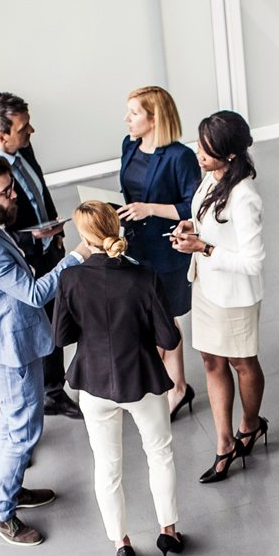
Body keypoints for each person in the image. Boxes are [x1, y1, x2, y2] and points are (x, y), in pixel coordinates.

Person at [0, 155, 88, 546]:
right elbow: (33, 293)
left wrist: (33, 237)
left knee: (13, 422)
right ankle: (0, 511)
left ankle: (12, 489)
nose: (14, 196)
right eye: (6, 192)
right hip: (12, 344)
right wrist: (76, 257)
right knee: (24, 429)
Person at [52, 202, 185, 556]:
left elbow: (61, 337)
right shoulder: (146, 279)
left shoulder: (70, 280)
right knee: (159, 454)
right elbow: (169, 339)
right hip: (141, 381)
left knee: (107, 466)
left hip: (93, 384)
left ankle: (121, 543)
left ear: (85, 238)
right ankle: (168, 531)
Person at [0, 92, 83, 424]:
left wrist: (54, 228)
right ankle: (7, 427)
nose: (31, 132)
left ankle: (54, 393)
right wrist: (30, 237)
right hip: (20, 268)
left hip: (49, 254)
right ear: (1, 136)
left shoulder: (23, 148)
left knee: (54, 326)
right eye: (23, 127)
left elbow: (38, 191)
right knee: (12, 356)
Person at [170, 111, 268, 484]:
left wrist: (204, 248)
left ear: (229, 156)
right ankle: (224, 443)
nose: (198, 154)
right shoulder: (212, 177)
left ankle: (250, 425)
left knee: (242, 363)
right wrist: (191, 226)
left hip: (235, 296)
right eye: (199, 145)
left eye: (206, 150)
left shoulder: (245, 197)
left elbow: (253, 261)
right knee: (212, 360)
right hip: (207, 287)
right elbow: (206, 217)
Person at [117, 86, 201, 420]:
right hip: (136, 247)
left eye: (134, 113)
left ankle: (178, 387)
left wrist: (149, 208)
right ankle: (162, 382)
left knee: (166, 319)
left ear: (155, 118)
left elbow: (192, 208)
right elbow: (130, 191)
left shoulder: (179, 156)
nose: (127, 119)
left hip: (167, 252)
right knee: (146, 318)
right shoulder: (129, 145)